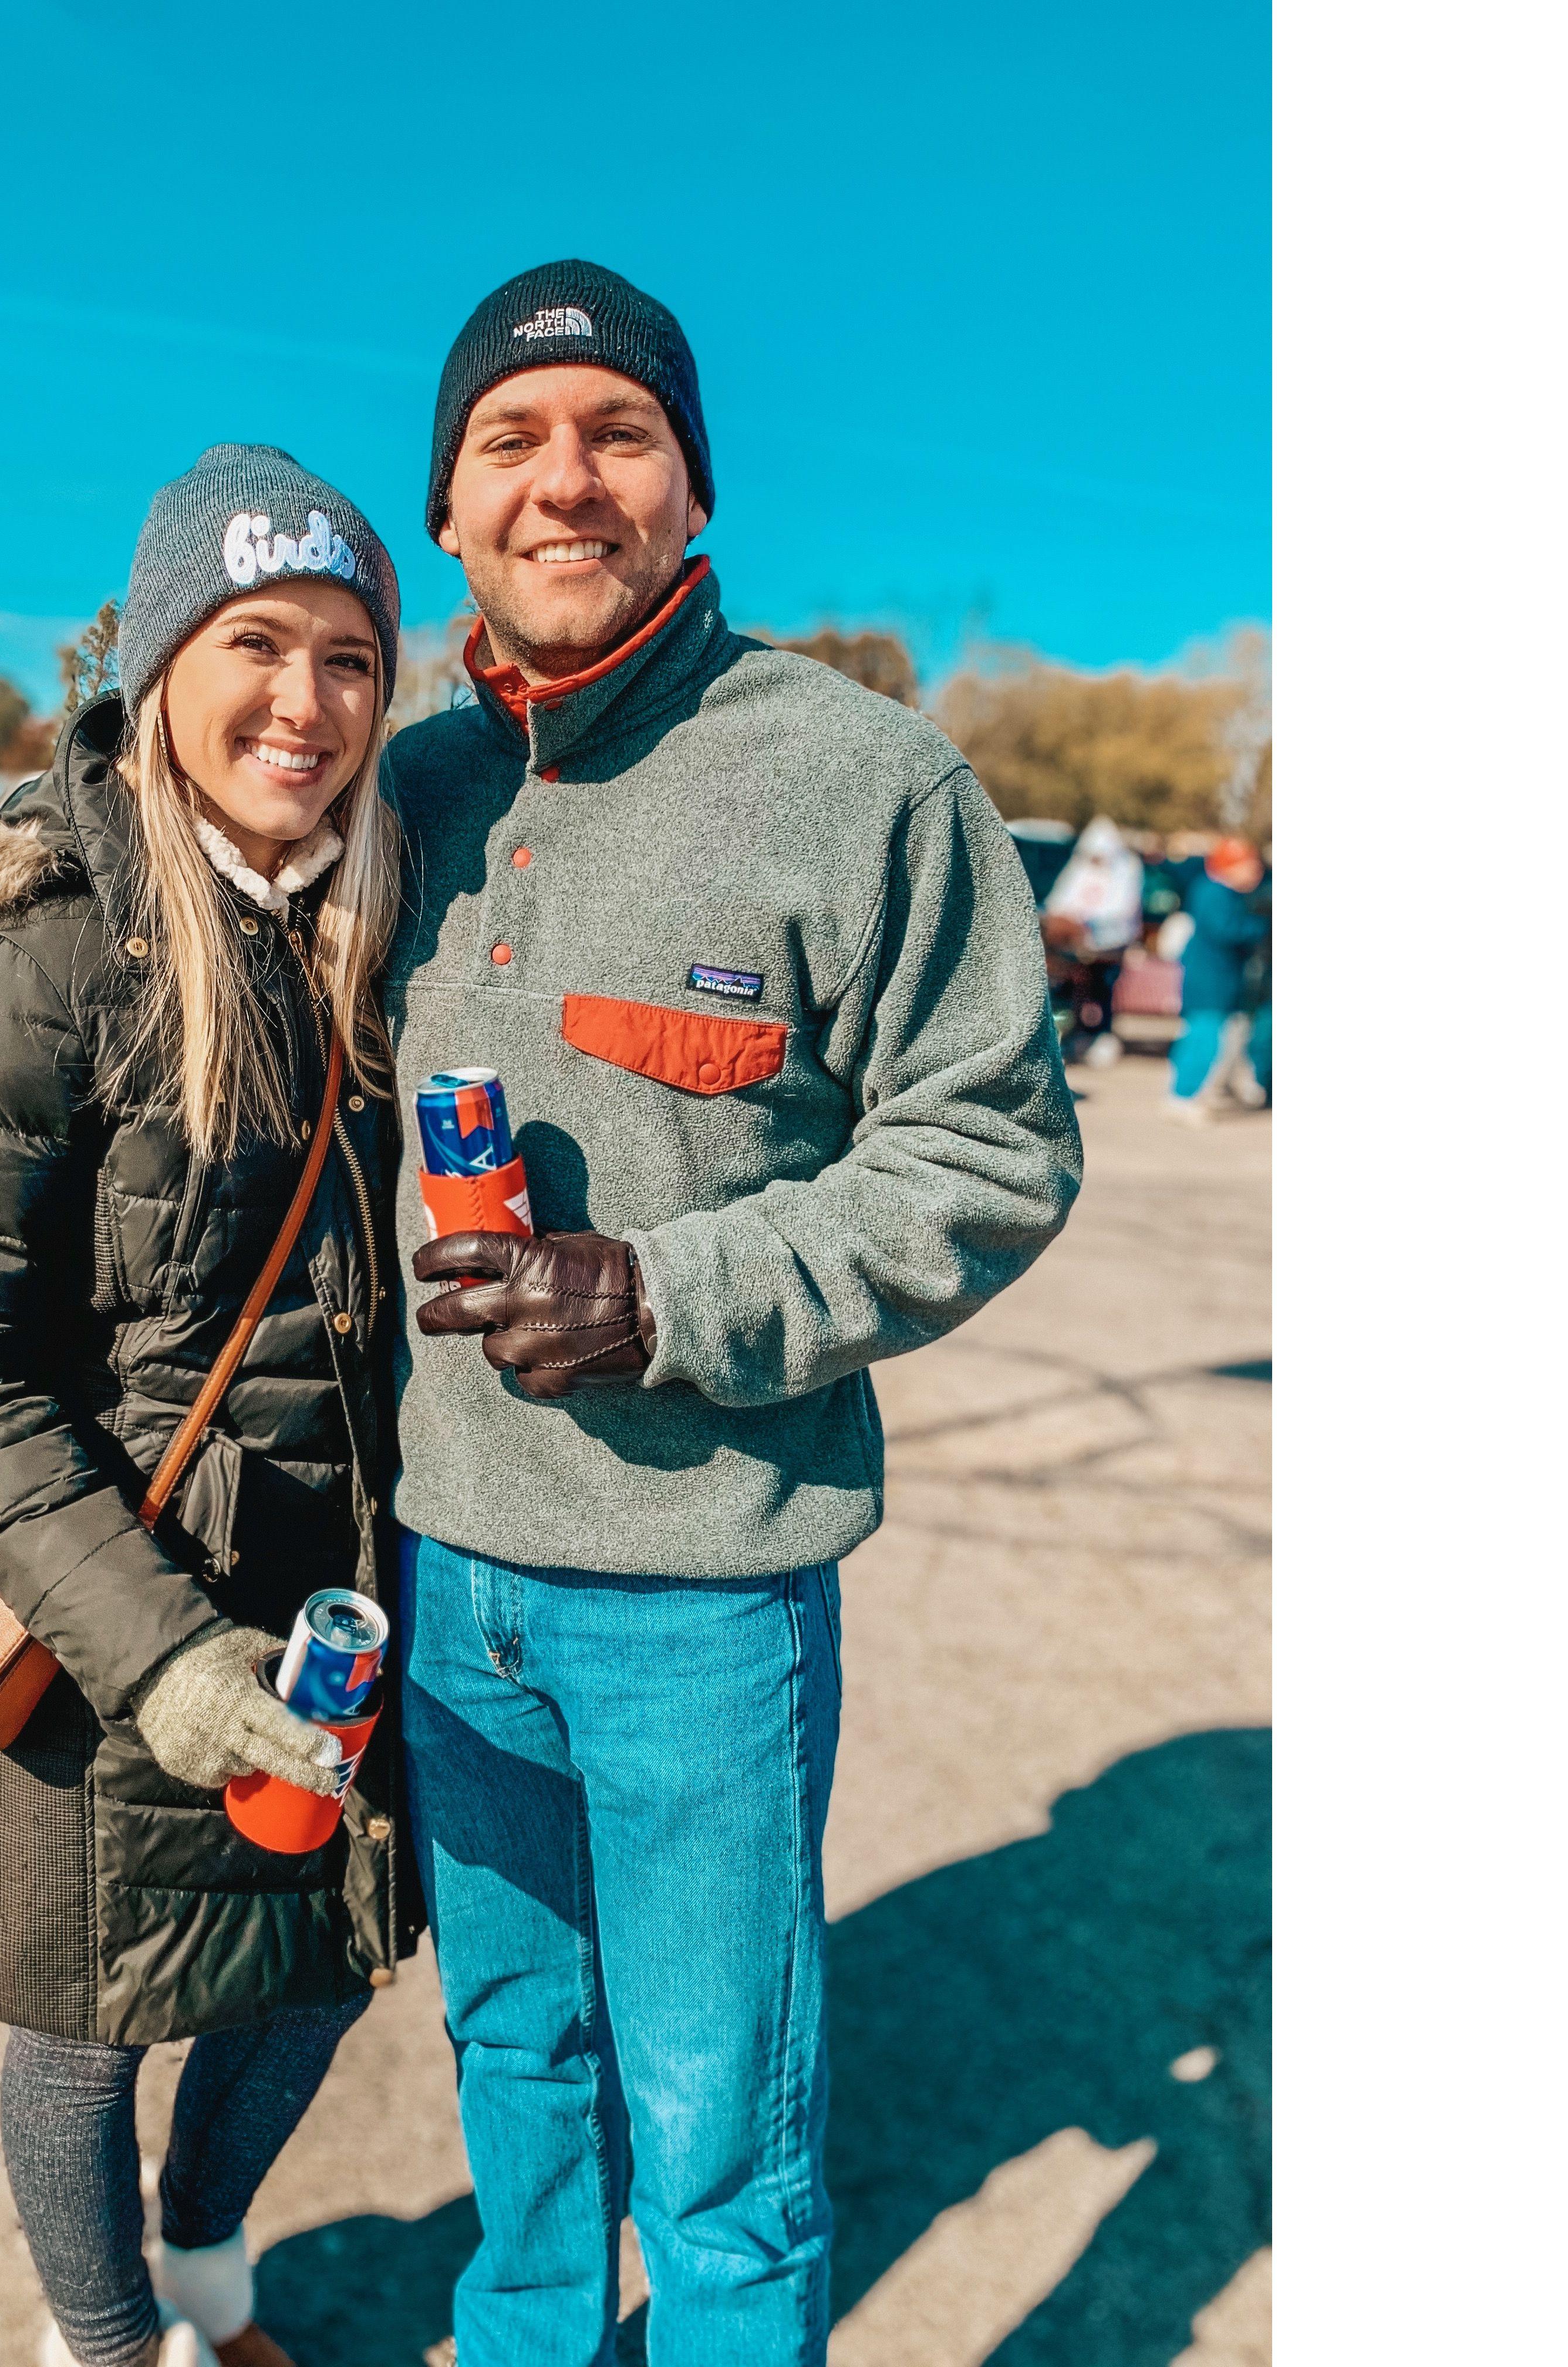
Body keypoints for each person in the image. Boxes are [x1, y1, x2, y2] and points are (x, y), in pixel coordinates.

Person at [380, 260, 1085, 2365]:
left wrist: (663, 1292)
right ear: (446, 509)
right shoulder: (405, 794)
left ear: (694, 488)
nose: (565, 480)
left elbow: (988, 1149)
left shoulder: (865, 783)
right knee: (516, 2069)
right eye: (510, 440)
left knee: (717, 2150)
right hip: (441, 1578)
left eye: (621, 434)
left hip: (700, 1602)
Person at [0, 445, 414, 2367]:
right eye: (256, 643)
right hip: (102, 1616)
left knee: (314, 1977)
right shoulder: (37, 960)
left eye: (350, 656)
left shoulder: (367, 933)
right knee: (85, 2030)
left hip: (331, 1604)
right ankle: (100, 2346)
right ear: (160, 666)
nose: (305, 701)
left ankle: (206, 2278)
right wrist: (163, 1657)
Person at [1164, 834, 1271, 1122]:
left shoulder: (1224, 892)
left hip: (1221, 980)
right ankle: (1182, 1097)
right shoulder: (1214, 892)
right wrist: (1261, 927)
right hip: (1209, 983)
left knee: (1221, 1038)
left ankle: (1201, 1091)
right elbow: (1226, 930)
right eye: (1249, 866)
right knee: (1204, 1039)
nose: (1256, 873)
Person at [1041, 812, 1145, 1065]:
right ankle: (1070, 1035)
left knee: (1102, 993)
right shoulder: (1081, 867)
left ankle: (1101, 1036)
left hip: (1109, 946)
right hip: (1073, 946)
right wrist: (1063, 917)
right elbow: (1060, 898)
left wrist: (1089, 923)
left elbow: (1123, 908)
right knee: (1068, 991)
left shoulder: (1126, 868)